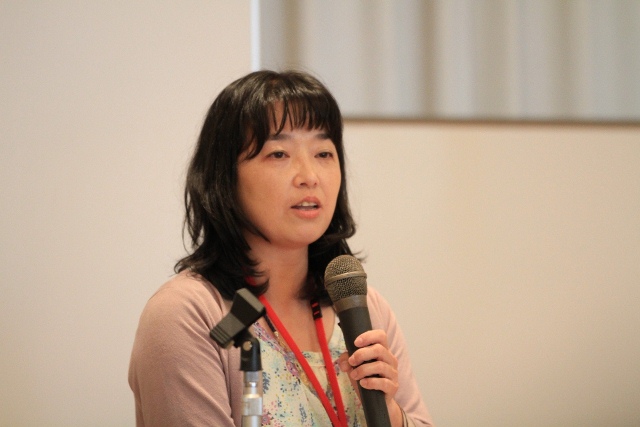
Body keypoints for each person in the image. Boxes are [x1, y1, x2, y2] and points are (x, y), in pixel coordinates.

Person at [128, 70, 434, 427]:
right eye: (278, 154)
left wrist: (391, 413)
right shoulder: (190, 314)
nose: (309, 176)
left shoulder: (364, 308)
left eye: (323, 152)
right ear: (225, 177)